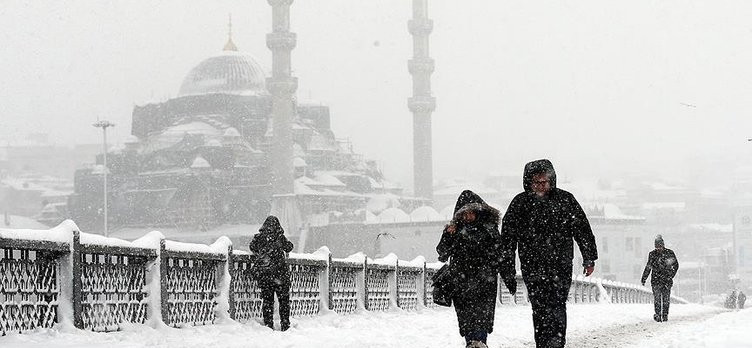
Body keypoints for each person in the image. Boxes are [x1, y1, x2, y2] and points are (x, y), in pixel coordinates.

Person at [499, 159, 598, 348]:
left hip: (560, 264)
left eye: (544, 181)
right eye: (536, 182)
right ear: (529, 182)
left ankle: (556, 342)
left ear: (552, 180)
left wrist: (589, 257)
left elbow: (582, 229)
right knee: (539, 306)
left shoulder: (565, 200)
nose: (541, 186)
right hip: (532, 265)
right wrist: (507, 269)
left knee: (558, 304)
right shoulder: (520, 204)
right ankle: (544, 343)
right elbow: (507, 240)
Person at [437, 190, 503, 348]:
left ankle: (480, 342)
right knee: (465, 314)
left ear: (478, 211)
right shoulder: (456, 231)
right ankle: (471, 342)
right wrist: (448, 235)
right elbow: (442, 253)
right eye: (463, 214)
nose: (467, 217)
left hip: (484, 280)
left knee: (482, 313)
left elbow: (499, 252)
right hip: (461, 280)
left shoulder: (489, 229)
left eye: (470, 213)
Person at [249, 215, 294, 331]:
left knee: (267, 302)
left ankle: (268, 325)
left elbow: (252, 247)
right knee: (283, 301)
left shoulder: (260, 238)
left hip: (265, 275)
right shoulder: (279, 237)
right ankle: (285, 324)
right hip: (280, 275)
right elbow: (289, 247)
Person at [641, 235, 679, 322]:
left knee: (666, 299)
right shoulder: (652, 254)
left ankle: (665, 315)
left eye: (660, 246)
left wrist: (670, 275)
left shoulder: (669, 253)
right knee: (657, 299)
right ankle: (658, 315)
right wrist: (644, 278)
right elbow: (648, 267)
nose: (658, 248)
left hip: (666, 280)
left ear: (663, 245)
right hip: (656, 281)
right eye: (657, 247)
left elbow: (675, 265)